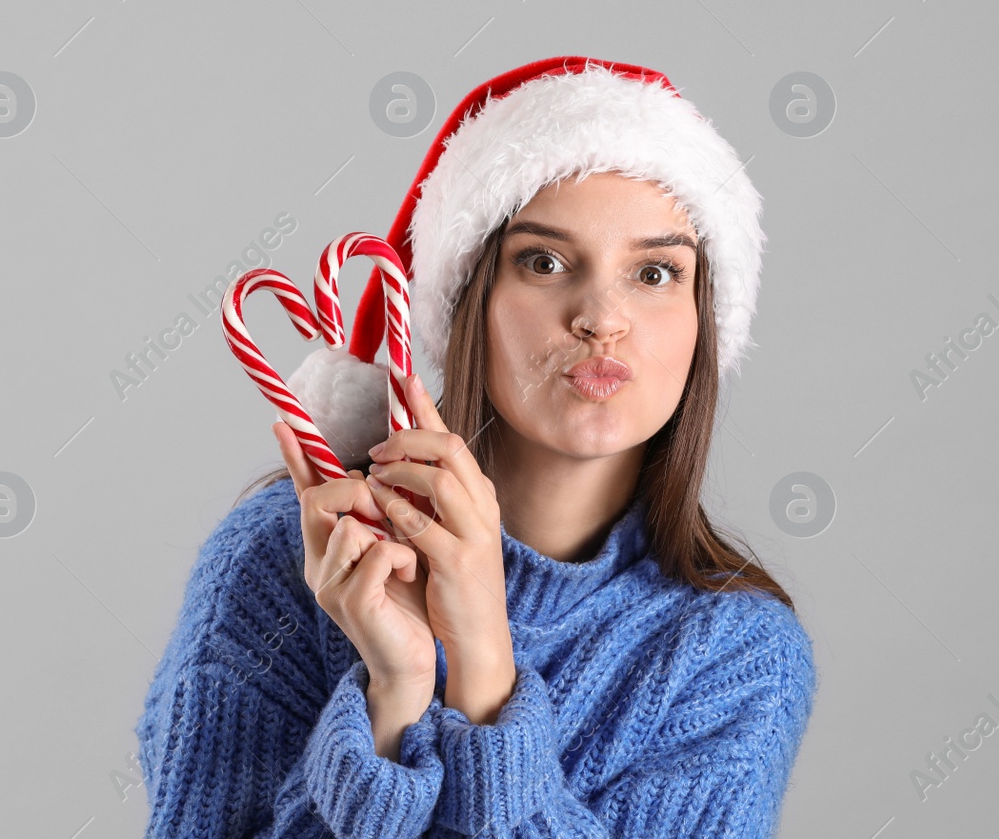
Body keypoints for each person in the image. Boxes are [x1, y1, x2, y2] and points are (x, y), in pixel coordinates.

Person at [137, 56, 817, 838]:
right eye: (544, 261)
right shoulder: (280, 563)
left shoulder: (735, 655)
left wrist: (487, 675)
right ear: (468, 304)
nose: (601, 316)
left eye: (656, 272)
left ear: (704, 324)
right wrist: (393, 695)